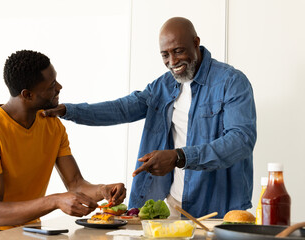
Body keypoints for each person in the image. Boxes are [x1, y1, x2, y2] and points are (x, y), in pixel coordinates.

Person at [43, 17, 256, 218]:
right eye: (165, 55)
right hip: (171, 205)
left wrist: (179, 156)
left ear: (196, 43)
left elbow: (241, 141)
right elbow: (121, 109)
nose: (172, 61)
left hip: (219, 208)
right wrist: (67, 111)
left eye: (179, 51)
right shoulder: (162, 86)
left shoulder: (231, 82)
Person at [0, 50, 126, 239]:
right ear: (27, 95)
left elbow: (75, 183)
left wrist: (103, 190)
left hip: (30, 230)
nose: (60, 87)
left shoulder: (51, 123)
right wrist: (55, 201)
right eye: (51, 85)